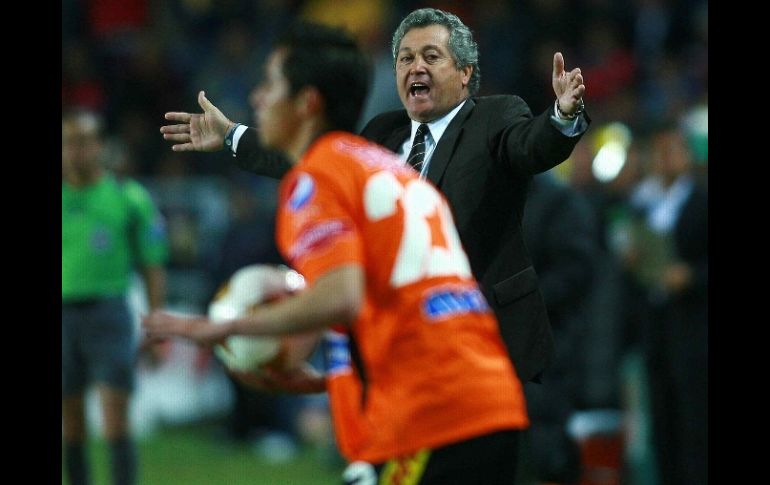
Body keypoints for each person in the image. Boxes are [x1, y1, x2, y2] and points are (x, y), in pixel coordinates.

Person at [144, 22, 530, 484]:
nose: (258, 98)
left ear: (307, 103)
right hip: (485, 403)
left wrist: (227, 327)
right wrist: (326, 379)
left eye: (270, 85)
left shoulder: (319, 177)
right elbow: (405, 305)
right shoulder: (392, 172)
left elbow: (340, 295)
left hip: (430, 420)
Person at [159, 7, 590, 383]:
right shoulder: (383, 133)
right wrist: (232, 135)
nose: (414, 67)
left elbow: (530, 143)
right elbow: (311, 159)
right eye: (405, 58)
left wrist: (562, 116)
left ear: (465, 74)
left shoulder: (495, 117)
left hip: (489, 342)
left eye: (430, 56)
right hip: (400, 347)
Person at [62, 109, 169, 485]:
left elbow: (152, 265)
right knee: (70, 423)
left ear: (100, 146)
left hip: (108, 312)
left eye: (84, 142)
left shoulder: (127, 198)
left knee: (114, 418)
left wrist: (156, 324)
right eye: (69, 143)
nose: (76, 151)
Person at [623, 123, 707, 485]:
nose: (665, 159)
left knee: (695, 418)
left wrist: (690, 276)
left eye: (673, 150)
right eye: (659, 152)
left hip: (695, 327)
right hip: (656, 325)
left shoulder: (701, 201)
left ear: (687, 156)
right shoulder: (643, 203)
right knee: (661, 416)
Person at [520, 171, 600, 484]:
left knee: (545, 448)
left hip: (550, 348)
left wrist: (516, 301)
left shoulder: (560, 201)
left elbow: (576, 272)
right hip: (499, 350)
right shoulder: (493, 191)